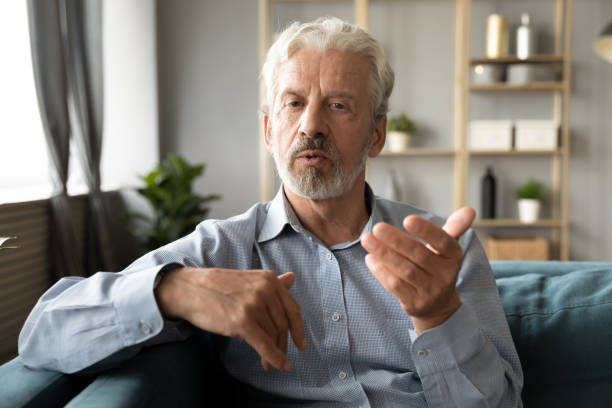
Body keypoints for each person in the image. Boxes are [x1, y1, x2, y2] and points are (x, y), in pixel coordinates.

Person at [19, 17, 523, 407]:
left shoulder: (439, 251)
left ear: (376, 134)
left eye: (340, 105)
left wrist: (437, 315)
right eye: (293, 103)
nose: (311, 125)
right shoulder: (221, 250)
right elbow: (43, 332)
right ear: (268, 130)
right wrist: (174, 288)